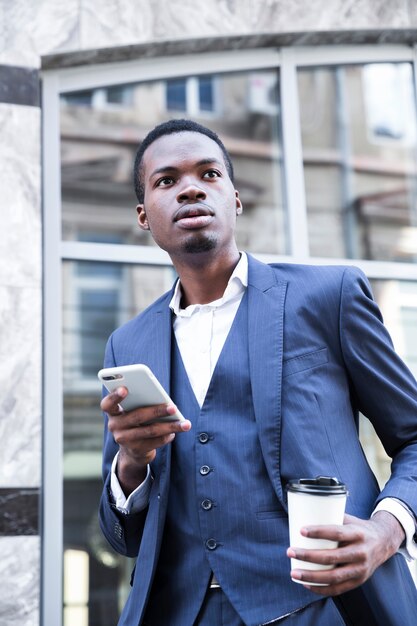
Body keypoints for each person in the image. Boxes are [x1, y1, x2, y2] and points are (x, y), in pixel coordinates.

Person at [99, 118, 417, 626]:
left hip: (321, 605)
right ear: (143, 215)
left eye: (209, 174)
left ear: (236, 198)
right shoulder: (129, 344)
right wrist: (131, 464)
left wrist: (386, 531)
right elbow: (122, 538)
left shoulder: (327, 298)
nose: (190, 189)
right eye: (167, 181)